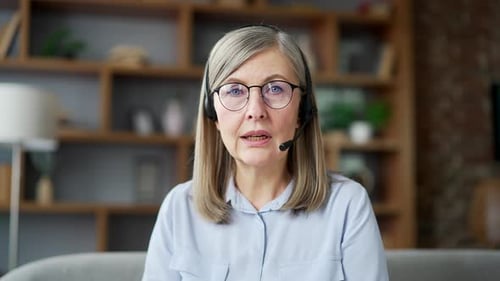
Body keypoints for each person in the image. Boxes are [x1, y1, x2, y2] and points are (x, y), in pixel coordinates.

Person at [141, 24, 388, 281]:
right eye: (235, 90)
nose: (255, 111)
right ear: (212, 113)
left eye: (275, 89)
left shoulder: (347, 205)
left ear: (301, 113)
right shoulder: (179, 208)